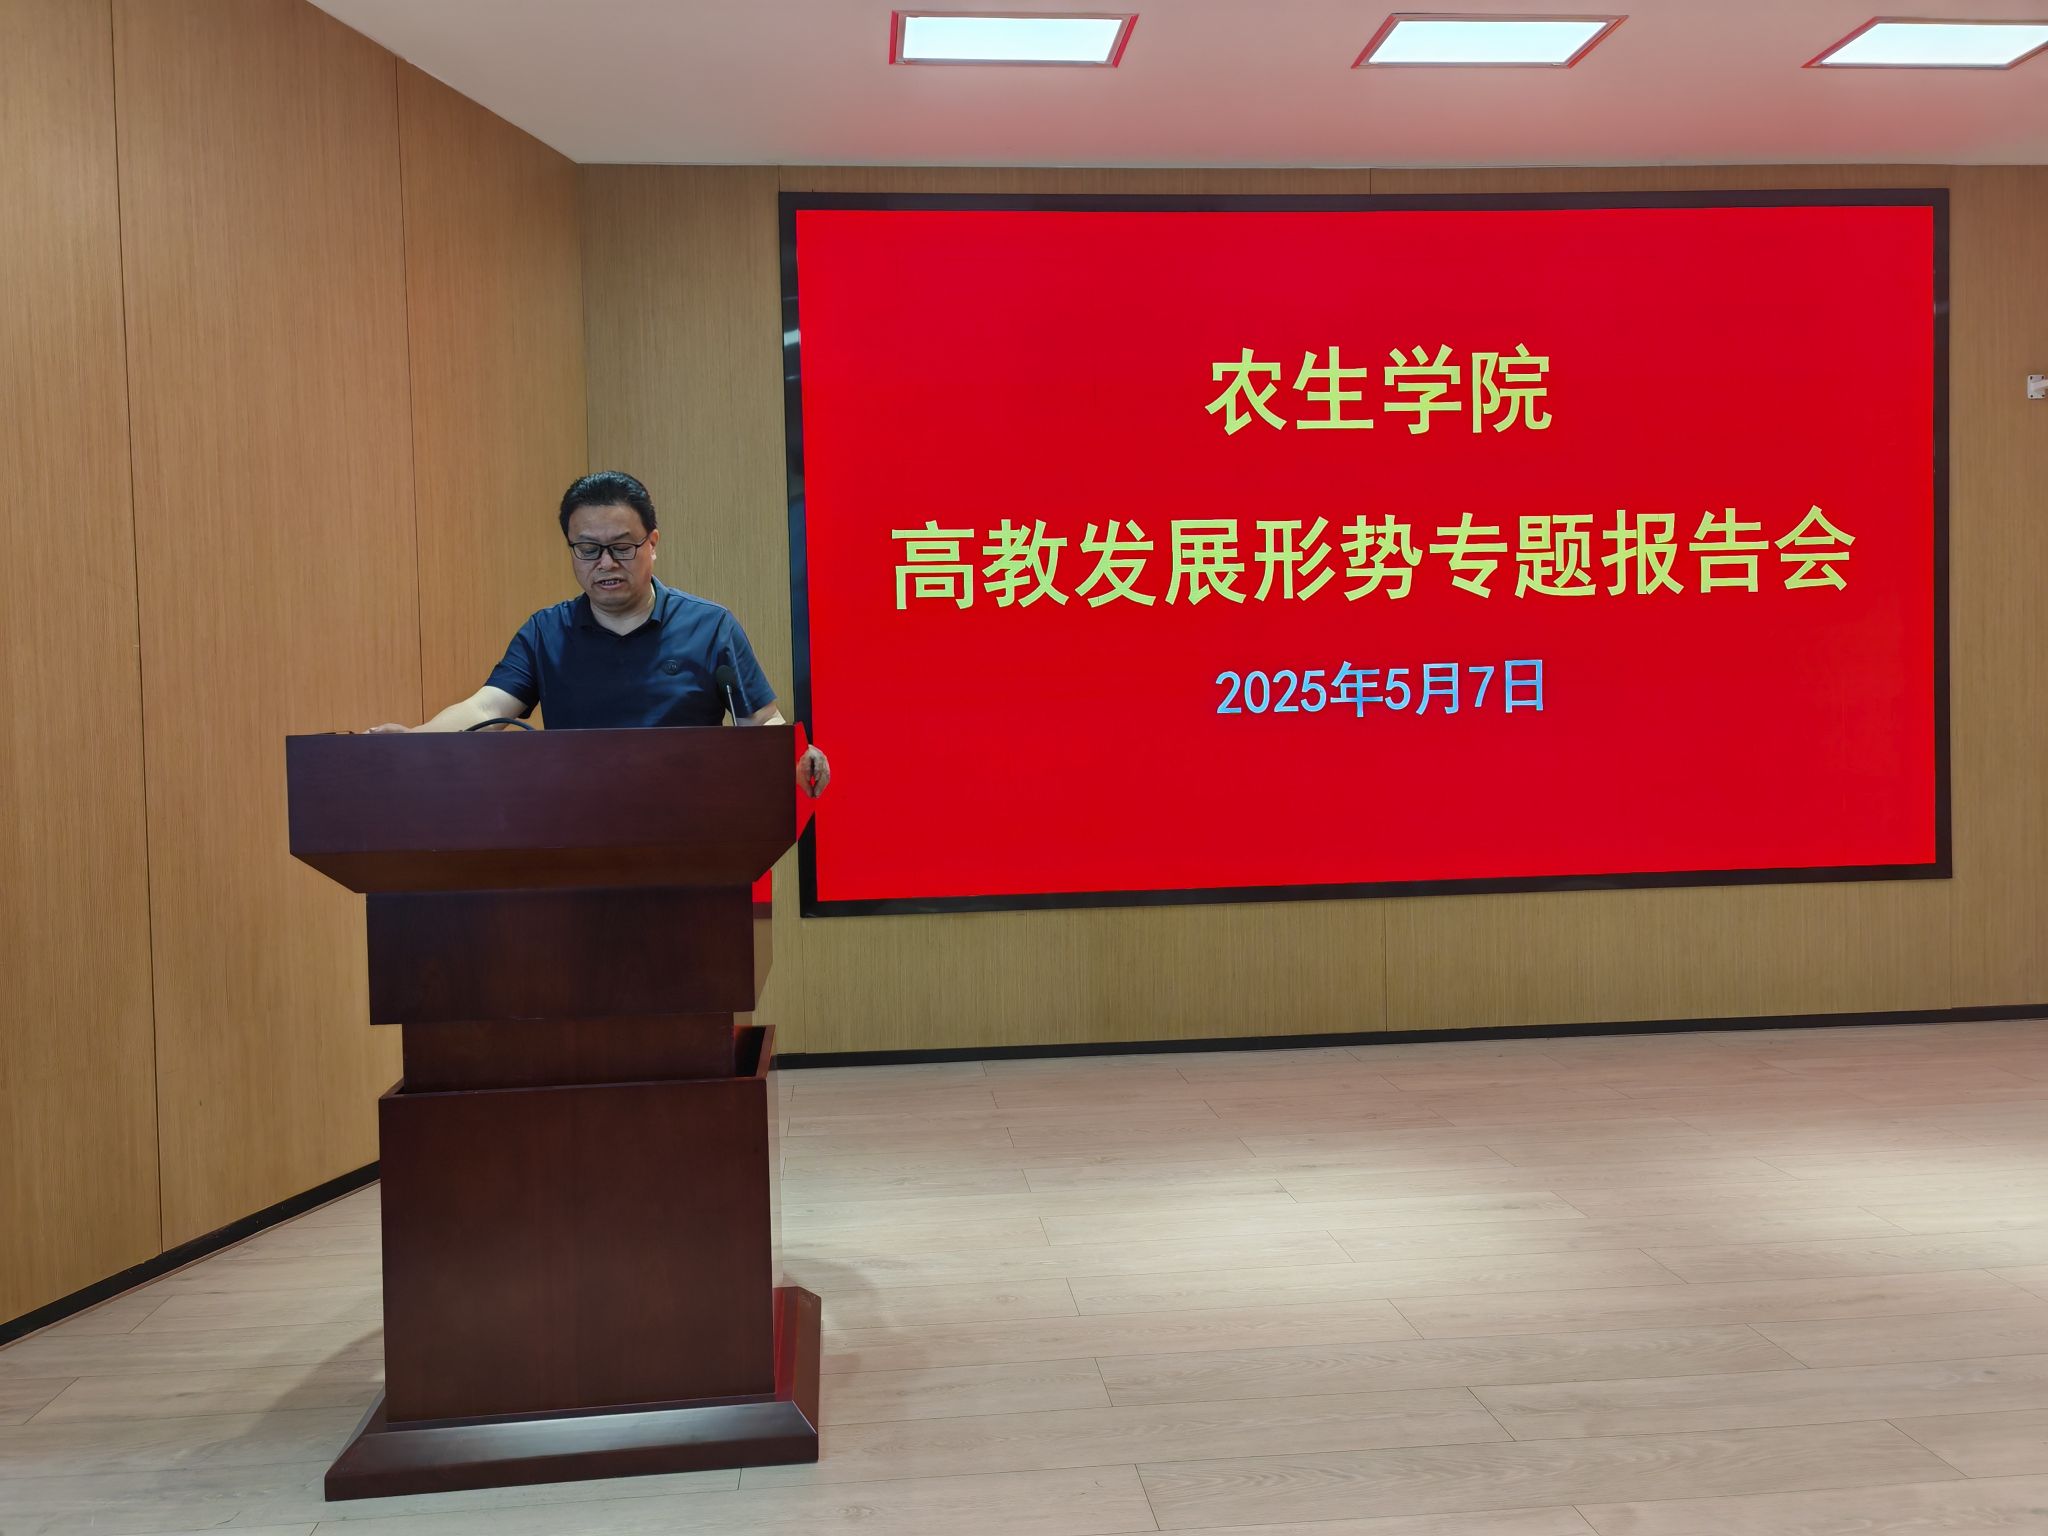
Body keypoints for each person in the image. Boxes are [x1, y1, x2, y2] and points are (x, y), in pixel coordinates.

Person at [371, 471, 829, 795]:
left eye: (622, 547)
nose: (606, 563)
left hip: (692, 826)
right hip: (575, 830)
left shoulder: (709, 627)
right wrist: (416, 739)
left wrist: (798, 756)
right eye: (588, 549)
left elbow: (760, 723)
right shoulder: (546, 632)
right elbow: (486, 707)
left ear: (652, 543)